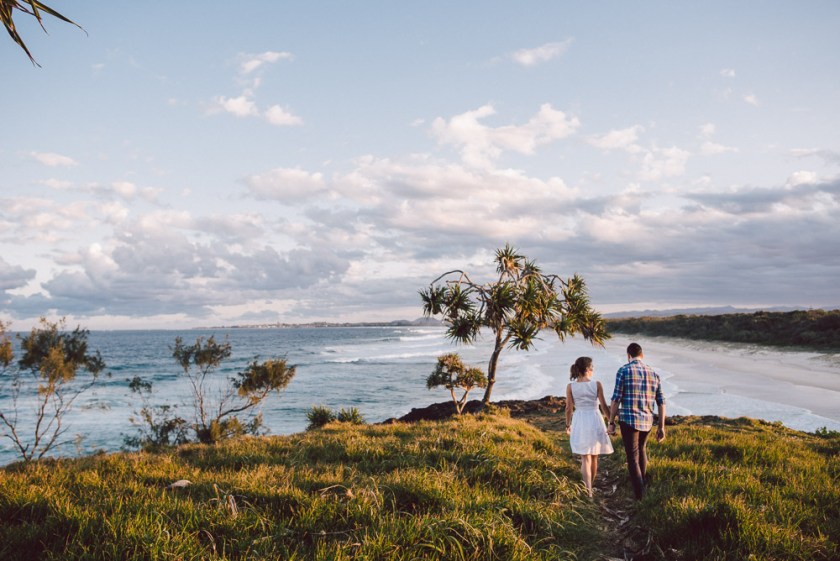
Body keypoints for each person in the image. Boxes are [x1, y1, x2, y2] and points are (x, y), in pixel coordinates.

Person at [607, 342, 666, 500]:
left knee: (632, 456)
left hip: (629, 419)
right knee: (642, 450)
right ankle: (642, 486)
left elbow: (616, 399)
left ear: (628, 355)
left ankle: (640, 495)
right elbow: (661, 402)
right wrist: (661, 427)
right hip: (647, 420)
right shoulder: (654, 373)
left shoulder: (624, 370)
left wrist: (611, 422)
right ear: (642, 355)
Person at [565, 356, 614, 497]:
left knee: (585, 458)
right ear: (587, 369)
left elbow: (569, 408)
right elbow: (604, 406)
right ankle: (590, 487)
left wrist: (568, 424)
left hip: (580, 420)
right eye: (592, 368)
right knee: (594, 457)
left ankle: (589, 491)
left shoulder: (571, 386)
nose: (593, 370)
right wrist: (611, 422)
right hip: (595, 419)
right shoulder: (597, 384)